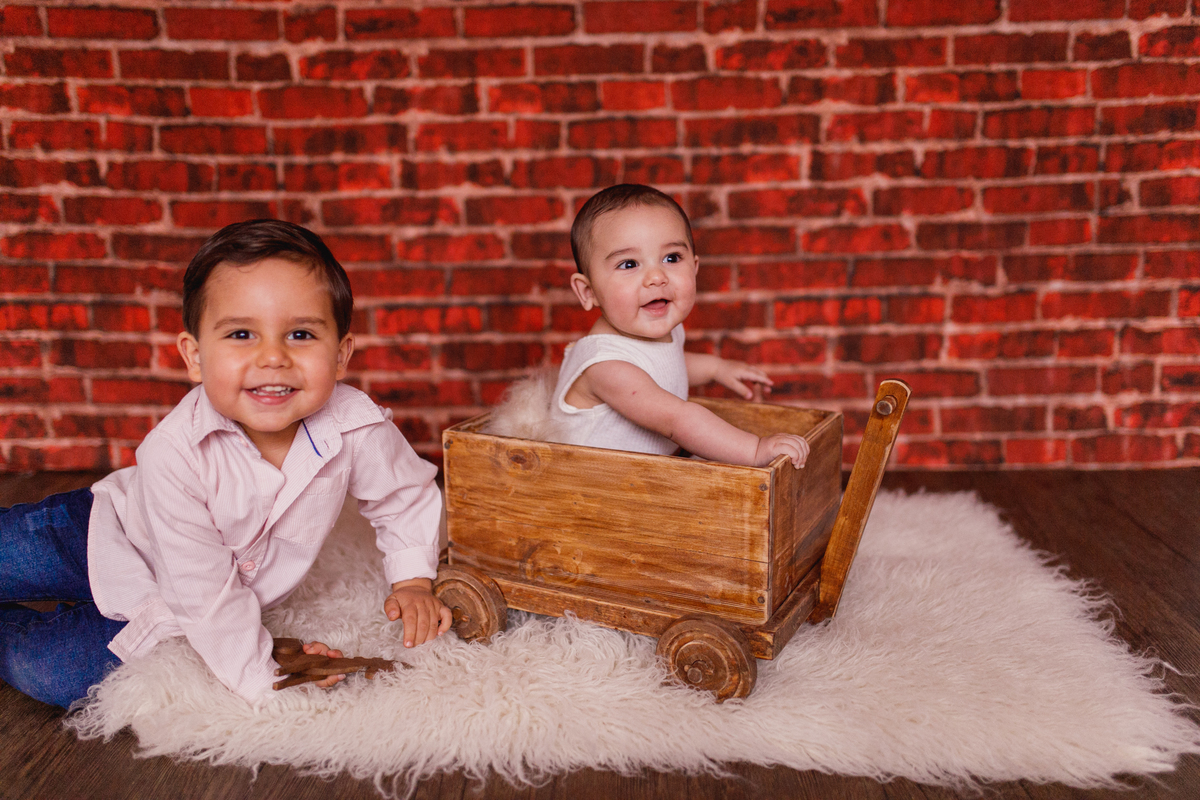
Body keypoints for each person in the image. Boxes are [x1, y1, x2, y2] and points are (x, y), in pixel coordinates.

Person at [0, 220, 451, 709]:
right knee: (11, 555)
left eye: (300, 334)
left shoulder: (356, 427)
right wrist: (262, 681)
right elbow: (204, 585)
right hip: (97, 534)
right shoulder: (174, 451)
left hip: (175, 604)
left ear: (340, 355)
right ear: (195, 357)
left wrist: (412, 579)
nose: (273, 357)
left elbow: (404, 495)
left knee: (51, 671)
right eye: (241, 334)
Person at [551, 184, 810, 468]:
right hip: (591, 481)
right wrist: (755, 449)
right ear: (588, 292)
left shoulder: (660, 329)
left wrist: (716, 368)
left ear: (694, 268)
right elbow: (678, 420)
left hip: (646, 475)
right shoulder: (605, 366)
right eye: (629, 264)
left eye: (671, 258)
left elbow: (665, 365)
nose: (656, 277)